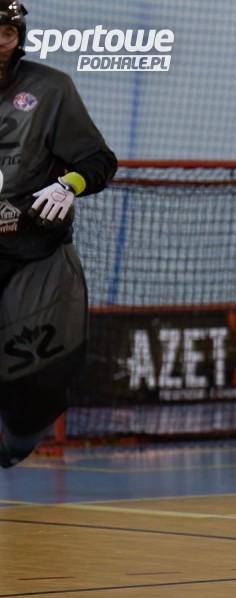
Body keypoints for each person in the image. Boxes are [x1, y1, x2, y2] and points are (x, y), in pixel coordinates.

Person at [0, 2, 117, 468]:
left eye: (7, 33)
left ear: (19, 37)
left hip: (36, 255)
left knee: (42, 380)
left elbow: (98, 161)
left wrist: (69, 184)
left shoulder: (50, 89)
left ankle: (14, 446)